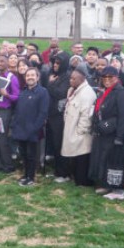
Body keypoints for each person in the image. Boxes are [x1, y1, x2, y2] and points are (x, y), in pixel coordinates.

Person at [89, 66, 124, 200]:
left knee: (116, 161)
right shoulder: (105, 92)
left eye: (110, 77)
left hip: (116, 134)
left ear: (116, 78)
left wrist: (120, 136)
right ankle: (108, 184)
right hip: (104, 133)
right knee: (106, 160)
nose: (107, 80)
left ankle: (118, 190)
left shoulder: (121, 93)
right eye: (104, 77)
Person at [11, 67, 49, 187]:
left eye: (33, 75)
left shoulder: (43, 92)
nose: (30, 77)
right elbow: (18, 110)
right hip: (20, 129)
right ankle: (25, 174)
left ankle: (31, 177)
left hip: (33, 131)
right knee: (23, 155)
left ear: (37, 77)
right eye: (28, 76)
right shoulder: (23, 92)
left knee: (31, 155)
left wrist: (34, 128)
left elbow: (43, 113)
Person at [62, 66, 97, 186]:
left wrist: (80, 131)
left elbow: (86, 116)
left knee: (82, 157)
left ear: (81, 79)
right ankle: (76, 178)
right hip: (71, 129)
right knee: (75, 157)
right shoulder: (73, 90)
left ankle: (82, 181)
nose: (70, 80)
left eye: (73, 79)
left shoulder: (87, 93)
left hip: (80, 133)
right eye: (70, 78)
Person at [46, 51, 72, 182]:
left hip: (59, 117)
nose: (55, 65)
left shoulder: (67, 77)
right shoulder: (53, 75)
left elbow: (60, 93)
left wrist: (50, 84)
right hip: (50, 115)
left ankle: (64, 173)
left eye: (58, 63)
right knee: (53, 145)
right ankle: (57, 171)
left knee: (59, 144)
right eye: (54, 62)